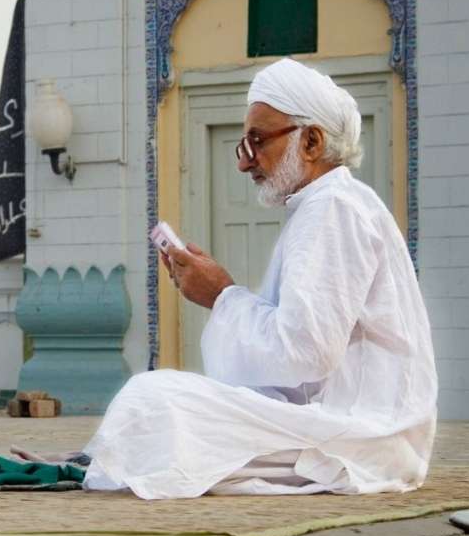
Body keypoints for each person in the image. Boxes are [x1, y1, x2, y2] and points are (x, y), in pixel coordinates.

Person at [80, 58, 438, 499]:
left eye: (257, 141)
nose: (245, 163)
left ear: (311, 141)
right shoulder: (325, 206)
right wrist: (222, 295)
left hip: (365, 435)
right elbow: (303, 352)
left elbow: (304, 354)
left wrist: (222, 296)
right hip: (347, 424)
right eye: (243, 145)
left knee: (155, 401)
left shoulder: (333, 209)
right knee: (159, 411)